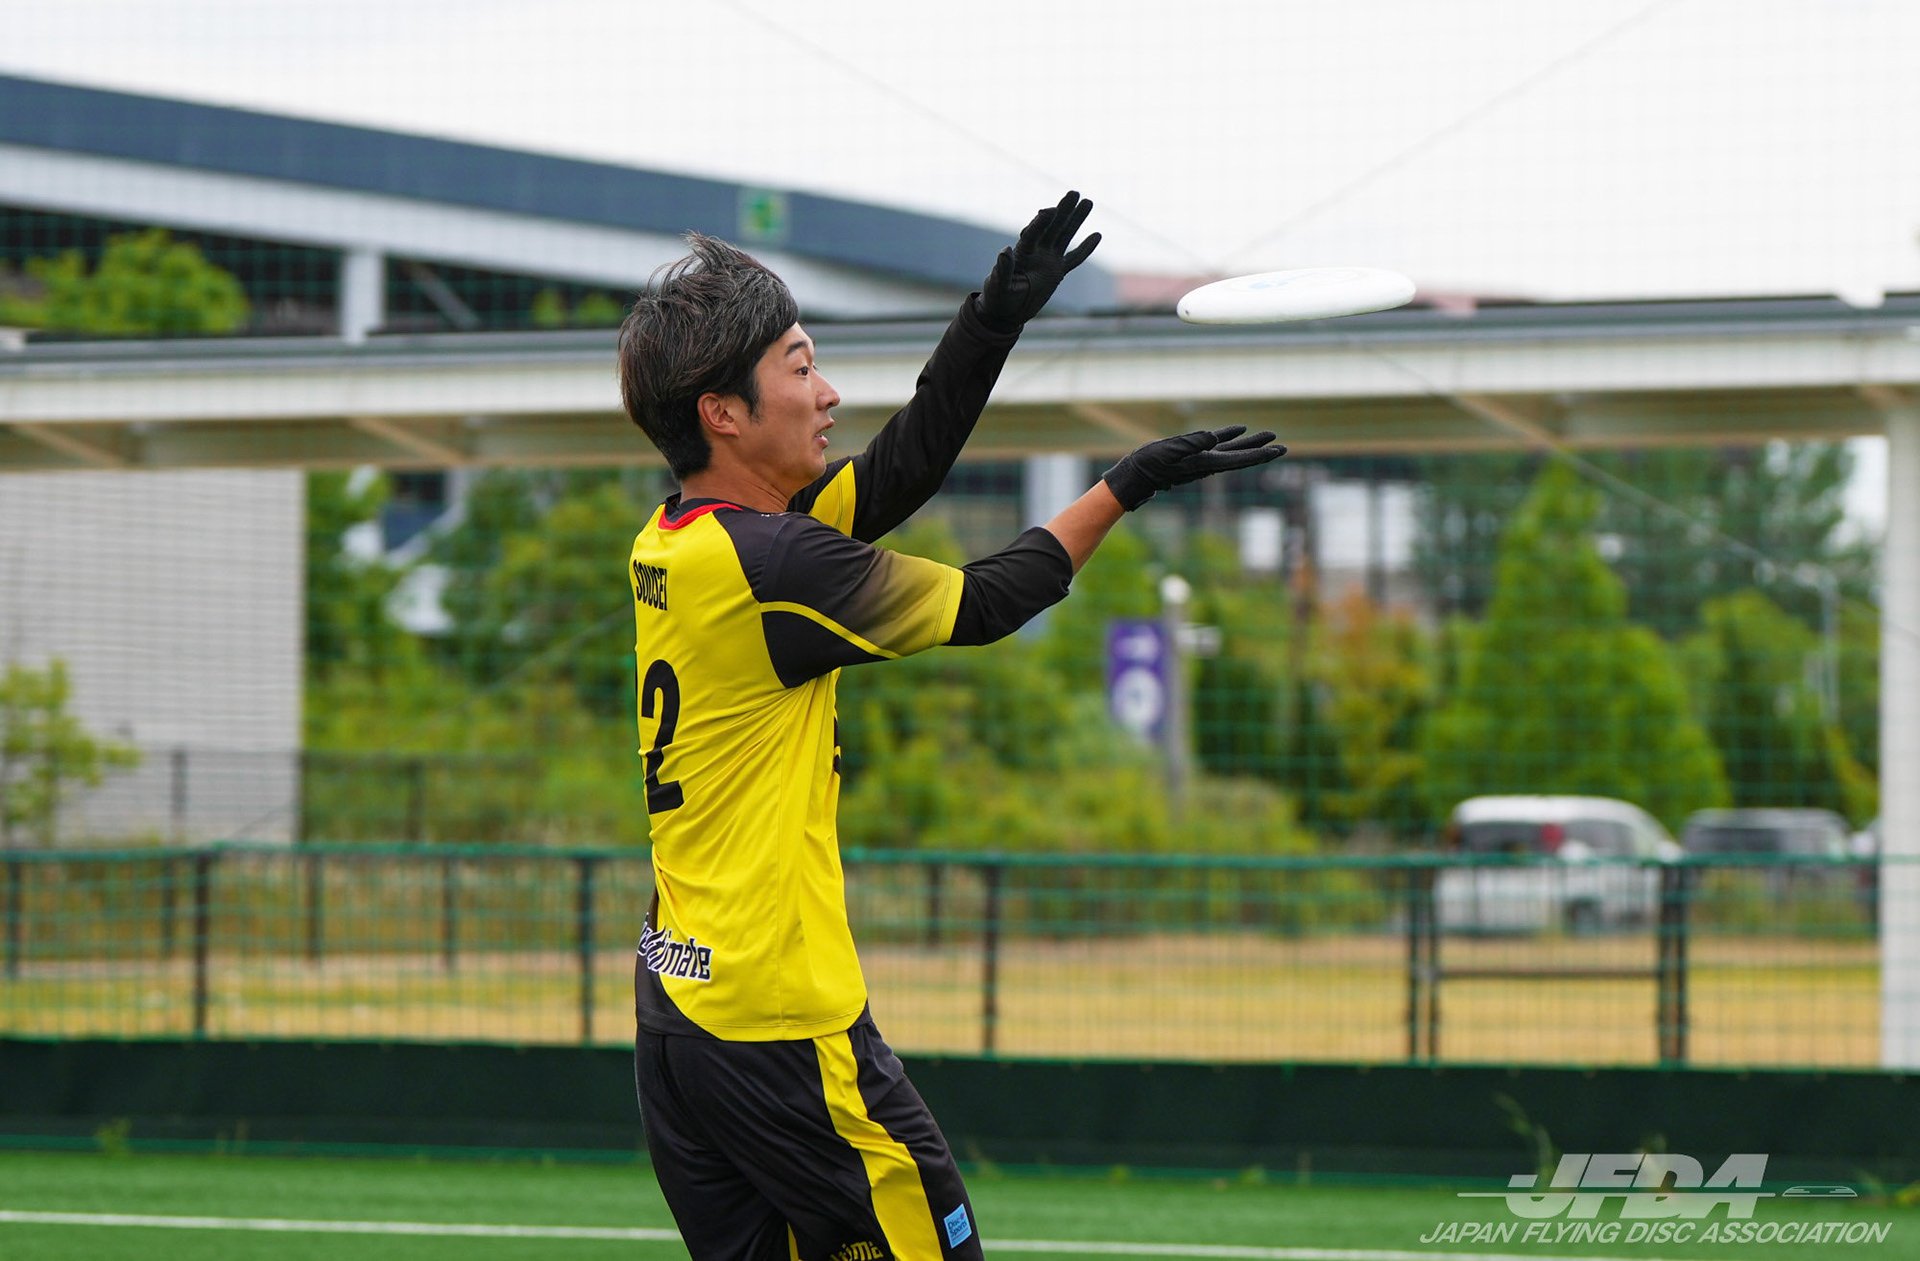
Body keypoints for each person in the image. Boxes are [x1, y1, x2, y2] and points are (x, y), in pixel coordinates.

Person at [616, 191, 1283, 1261]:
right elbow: (989, 600)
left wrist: (992, 319)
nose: (828, 392)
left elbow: (902, 469)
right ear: (723, 413)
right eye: (799, 368)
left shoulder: (677, 539)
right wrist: (1123, 486)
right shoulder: (772, 561)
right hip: (779, 1022)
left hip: (680, 1008)